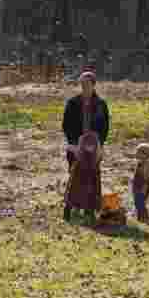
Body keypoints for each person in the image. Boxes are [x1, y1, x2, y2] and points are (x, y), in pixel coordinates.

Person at [61, 68, 110, 223]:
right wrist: (73, 144)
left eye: (87, 84)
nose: (84, 86)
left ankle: (89, 208)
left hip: (94, 147)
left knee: (92, 178)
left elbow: (105, 127)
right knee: (75, 176)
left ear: (93, 85)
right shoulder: (72, 103)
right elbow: (66, 125)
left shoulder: (101, 104)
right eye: (81, 84)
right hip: (76, 145)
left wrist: (99, 145)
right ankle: (73, 206)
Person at [131, 142, 149, 223]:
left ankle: (145, 219)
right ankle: (140, 219)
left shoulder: (145, 164)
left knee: (140, 203)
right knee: (138, 203)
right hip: (138, 185)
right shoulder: (141, 162)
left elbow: (145, 177)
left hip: (141, 186)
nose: (136, 154)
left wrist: (144, 188)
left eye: (138, 152)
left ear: (145, 155)